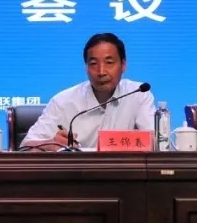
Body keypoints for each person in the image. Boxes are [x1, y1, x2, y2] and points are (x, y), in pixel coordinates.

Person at [21, 32, 155, 151]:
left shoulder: (138, 94)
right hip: (77, 171)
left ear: (123, 65)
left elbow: (156, 142)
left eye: (109, 62)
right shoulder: (62, 102)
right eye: (93, 63)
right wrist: (51, 143)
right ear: (86, 68)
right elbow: (25, 146)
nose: (101, 72)